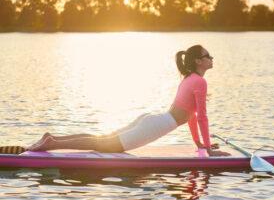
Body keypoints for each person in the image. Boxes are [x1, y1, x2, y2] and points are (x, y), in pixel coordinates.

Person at [27, 44, 230, 157]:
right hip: (154, 126)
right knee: (104, 146)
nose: (212, 58)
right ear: (198, 61)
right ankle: (52, 143)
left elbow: (193, 116)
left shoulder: (190, 79)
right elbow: (202, 117)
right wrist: (209, 150)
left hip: (152, 120)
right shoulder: (199, 82)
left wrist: (201, 144)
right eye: (208, 55)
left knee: (102, 139)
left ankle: (53, 139)